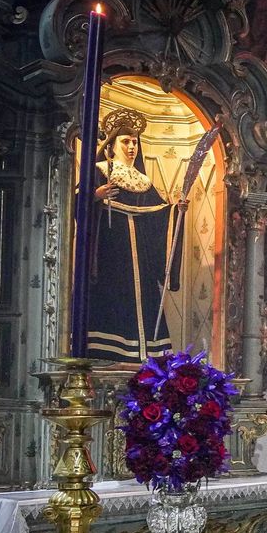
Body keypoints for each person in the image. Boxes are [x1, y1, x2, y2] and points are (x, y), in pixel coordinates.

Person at [88, 107, 187, 362]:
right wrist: (95, 197)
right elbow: (75, 207)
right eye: (125, 141)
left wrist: (177, 211)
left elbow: (159, 214)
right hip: (113, 249)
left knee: (144, 297)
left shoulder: (143, 181)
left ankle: (148, 354)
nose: (131, 147)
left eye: (135, 142)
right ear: (112, 144)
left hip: (141, 256)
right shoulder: (100, 170)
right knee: (116, 297)